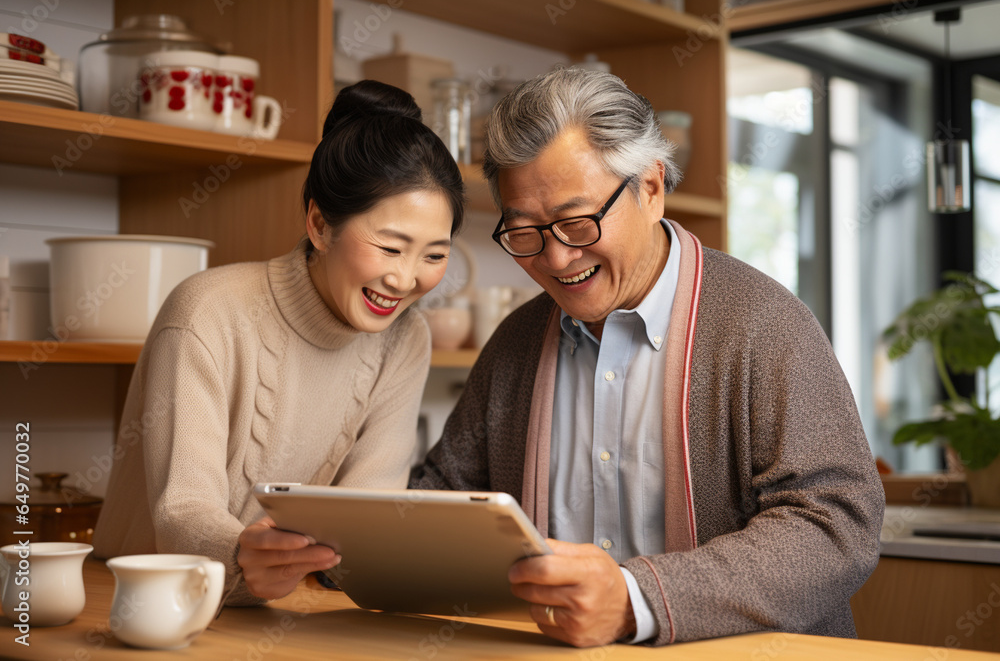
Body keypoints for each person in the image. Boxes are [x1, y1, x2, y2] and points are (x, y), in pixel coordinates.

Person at [241, 68, 884, 648]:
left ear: (652, 188)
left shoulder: (762, 324)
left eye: (577, 224)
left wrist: (637, 601)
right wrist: (337, 546)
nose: (555, 259)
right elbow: (446, 496)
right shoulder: (519, 341)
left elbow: (837, 523)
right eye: (523, 233)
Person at [93, 80, 465, 605]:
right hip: (141, 599)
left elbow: (367, 512)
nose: (405, 281)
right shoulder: (206, 312)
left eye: (433, 255)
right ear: (319, 224)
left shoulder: (406, 338)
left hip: (287, 604)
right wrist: (245, 556)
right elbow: (182, 515)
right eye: (389, 247)